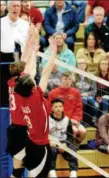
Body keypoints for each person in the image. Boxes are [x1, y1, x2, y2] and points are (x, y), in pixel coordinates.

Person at [14, 27, 58, 177]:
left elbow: (29, 70)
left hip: (31, 143)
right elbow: (45, 72)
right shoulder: (37, 99)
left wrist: (32, 50)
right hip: (41, 147)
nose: (32, 76)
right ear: (32, 86)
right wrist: (53, 51)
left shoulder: (20, 95)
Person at [0, 0, 29, 107]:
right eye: (14, 6)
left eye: (18, 6)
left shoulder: (25, 24)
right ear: (8, 8)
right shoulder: (1, 22)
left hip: (18, 58)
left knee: (18, 87)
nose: (16, 8)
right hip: (3, 58)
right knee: (3, 88)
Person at [48, 72, 86, 145]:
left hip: (73, 120)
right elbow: (50, 109)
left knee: (83, 131)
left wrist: (74, 120)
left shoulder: (76, 92)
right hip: (58, 121)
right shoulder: (53, 93)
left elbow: (78, 108)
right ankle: (66, 148)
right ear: (61, 80)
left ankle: (74, 146)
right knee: (72, 131)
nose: (67, 81)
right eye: (65, 79)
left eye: (69, 79)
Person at [49, 98, 78, 178]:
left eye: (60, 106)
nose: (58, 108)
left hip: (64, 142)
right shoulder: (47, 119)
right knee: (51, 151)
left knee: (73, 149)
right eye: (56, 107)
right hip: (52, 143)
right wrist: (50, 142)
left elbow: (70, 136)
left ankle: (73, 172)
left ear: (63, 108)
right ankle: (52, 172)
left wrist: (65, 144)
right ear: (52, 108)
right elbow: (44, 135)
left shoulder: (67, 119)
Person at [85, 6, 109, 72]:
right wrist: (105, 55)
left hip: (108, 54)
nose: (99, 17)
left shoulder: (106, 28)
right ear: (93, 16)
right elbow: (91, 47)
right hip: (95, 55)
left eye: (101, 15)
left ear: (103, 16)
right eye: (97, 15)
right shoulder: (89, 29)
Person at [74, 58, 98, 126]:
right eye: (79, 63)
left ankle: (93, 119)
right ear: (76, 65)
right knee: (84, 100)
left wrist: (87, 94)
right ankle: (82, 120)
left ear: (86, 65)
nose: (81, 65)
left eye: (83, 63)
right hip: (77, 98)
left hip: (89, 97)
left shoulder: (91, 76)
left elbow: (94, 90)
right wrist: (80, 95)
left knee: (90, 100)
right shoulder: (73, 76)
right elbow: (72, 90)